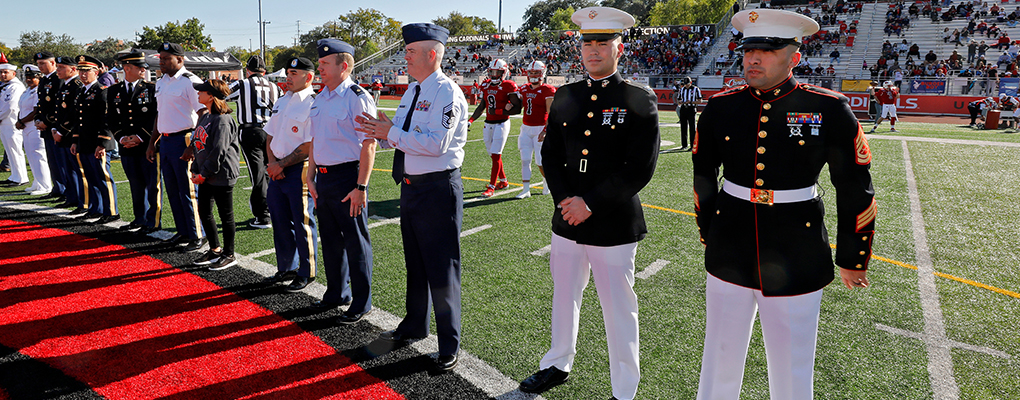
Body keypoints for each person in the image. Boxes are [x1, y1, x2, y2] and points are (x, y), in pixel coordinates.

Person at [693, 9, 876, 399]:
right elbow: (703, 174)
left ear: (794, 56)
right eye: (749, 50)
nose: (754, 59)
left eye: (768, 51)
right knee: (719, 357)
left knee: (792, 366)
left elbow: (855, 187)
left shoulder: (829, 108)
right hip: (730, 243)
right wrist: (709, 230)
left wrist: (852, 256)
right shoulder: (722, 106)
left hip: (798, 247)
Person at [519, 7, 659, 400]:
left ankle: (624, 389)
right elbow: (551, 155)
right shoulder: (566, 94)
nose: (593, 50)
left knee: (619, 311)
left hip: (613, 223)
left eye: (602, 42)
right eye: (587, 43)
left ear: (620, 47)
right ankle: (557, 363)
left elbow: (639, 169)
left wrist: (589, 203)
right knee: (564, 297)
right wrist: (566, 200)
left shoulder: (637, 98)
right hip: (566, 220)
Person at [355, 22, 469, 372]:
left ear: (432, 54)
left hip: (437, 188)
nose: (404, 57)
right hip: (412, 187)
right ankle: (415, 325)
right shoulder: (412, 91)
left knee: (442, 267)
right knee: (416, 263)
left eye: (410, 52)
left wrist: (393, 132)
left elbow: (436, 145)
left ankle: (449, 343)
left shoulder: (447, 93)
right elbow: (402, 138)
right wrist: (383, 131)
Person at [305, 42, 378, 322]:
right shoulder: (320, 97)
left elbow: (368, 144)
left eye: (325, 64)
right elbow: (316, 140)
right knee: (332, 242)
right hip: (322, 178)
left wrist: (360, 187)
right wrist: (310, 175)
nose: (319, 68)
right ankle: (336, 293)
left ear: (343, 66)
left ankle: (362, 302)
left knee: (356, 242)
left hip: (348, 177)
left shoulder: (356, 97)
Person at [262, 56, 319, 293]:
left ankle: (306, 271)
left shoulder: (313, 103)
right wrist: (273, 163)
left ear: (309, 77)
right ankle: (286, 267)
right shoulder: (283, 100)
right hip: (277, 169)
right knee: (280, 221)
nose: (288, 77)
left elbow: (309, 145)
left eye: (294, 74)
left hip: (299, 169)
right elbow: (270, 136)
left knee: (303, 222)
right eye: (288, 73)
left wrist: (281, 164)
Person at [147, 42, 206, 251]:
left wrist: (193, 146)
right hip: (166, 140)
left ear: (179, 60)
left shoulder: (190, 81)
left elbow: (203, 114)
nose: (161, 62)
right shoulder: (161, 82)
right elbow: (159, 114)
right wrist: (152, 142)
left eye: (165, 59)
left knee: (188, 191)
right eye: (160, 58)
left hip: (185, 140)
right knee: (172, 189)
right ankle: (183, 231)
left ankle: (198, 234)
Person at [188, 79, 241, 271]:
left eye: (201, 91)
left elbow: (219, 151)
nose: (198, 94)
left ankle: (229, 254)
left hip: (221, 174)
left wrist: (203, 173)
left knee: (225, 215)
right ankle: (215, 249)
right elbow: (198, 146)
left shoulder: (223, 120)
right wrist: (196, 169)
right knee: (204, 211)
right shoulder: (204, 117)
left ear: (211, 95)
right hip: (206, 174)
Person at [108, 50, 161, 233]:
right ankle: (139, 218)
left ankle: (153, 221)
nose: (143, 71)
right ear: (127, 68)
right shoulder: (114, 91)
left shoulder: (151, 89)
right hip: (126, 146)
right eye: (139, 68)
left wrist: (140, 137)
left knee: (152, 185)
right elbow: (112, 119)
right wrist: (121, 137)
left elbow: (156, 116)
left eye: (144, 68)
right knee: (135, 184)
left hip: (146, 145)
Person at [227, 55, 280, 229]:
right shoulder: (274, 86)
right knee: (269, 170)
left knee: (257, 173)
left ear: (248, 71)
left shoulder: (243, 84)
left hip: (251, 131)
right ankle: (273, 209)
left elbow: (224, 93)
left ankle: (263, 215)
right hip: (271, 131)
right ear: (264, 71)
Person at [71, 55, 119, 223]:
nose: (83, 74)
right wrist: (75, 140)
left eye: (87, 71)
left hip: (97, 142)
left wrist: (102, 143)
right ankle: (96, 208)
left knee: (103, 177)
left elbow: (107, 120)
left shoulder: (102, 91)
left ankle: (111, 211)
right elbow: (78, 119)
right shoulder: (80, 91)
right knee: (90, 176)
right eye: (81, 71)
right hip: (84, 141)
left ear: (97, 71)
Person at [468, 58, 521, 198]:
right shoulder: (485, 85)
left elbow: (517, 109)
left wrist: (500, 111)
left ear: (503, 73)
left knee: (496, 154)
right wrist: (471, 120)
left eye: (497, 72)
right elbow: (482, 106)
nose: (494, 74)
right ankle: (503, 181)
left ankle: (491, 186)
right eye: (492, 71)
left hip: (502, 123)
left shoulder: (509, 85)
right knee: (493, 155)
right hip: (488, 123)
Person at [51, 56, 87, 216]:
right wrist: (54, 128)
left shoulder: (77, 86)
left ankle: (82, 200)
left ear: (73, 69)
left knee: (77, 169)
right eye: (57, 66)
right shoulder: (65, 85)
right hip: (62, 134)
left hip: (71, 134)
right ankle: (72, 197)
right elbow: (59, 111)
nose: (57, 70)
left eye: (61, 67)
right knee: (67, 168)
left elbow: (74, 114)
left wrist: (60, 131)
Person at [515, 60, 556, 199]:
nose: (533, 75)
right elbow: (518, 106)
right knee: (525, 159)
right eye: (531, 73)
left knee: (540, 162)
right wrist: (509, 105)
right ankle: (525, 189)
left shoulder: (548, 89)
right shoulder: (524, 88)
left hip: (540, 128)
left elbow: (551, 112)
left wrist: (545, 130)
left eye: (536, 73)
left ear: (542, 73)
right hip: (525, 128)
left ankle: (547, 182)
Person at [33, 52, 67, 202]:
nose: (40, 66)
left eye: (43, 63)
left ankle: (66, 190)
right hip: (46, 128)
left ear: (53, 63)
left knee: (61, 161)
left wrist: (46, 121)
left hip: (56, 127)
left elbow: (57, 106)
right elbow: (41, 104)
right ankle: (58, 188)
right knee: (52, 160)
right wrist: (38, 119)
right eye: (38, 64)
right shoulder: (43, 80)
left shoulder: (58, 79)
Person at [16, 64, 52, 195]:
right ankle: (37, 182)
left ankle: (45, 185)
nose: (29, 79)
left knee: (38, 155)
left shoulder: (39, 91)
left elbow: (35, 111)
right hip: (26, 127)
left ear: (39, 77)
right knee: (31, 156)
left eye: (32, 77)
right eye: (27, 77)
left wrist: (21, 121)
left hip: (34, 126)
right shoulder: (27, 91)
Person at [0, 63, 28, 187]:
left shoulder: (15, 87)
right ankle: (15, 176)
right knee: (9, 150)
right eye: (1, 72)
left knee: (15, 150)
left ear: (13, 73)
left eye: (5, 72)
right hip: (4, 122)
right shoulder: (7, 86)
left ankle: (21, 177)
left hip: (11, 122)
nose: (2, 75)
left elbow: (10, 107)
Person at [675, 76, 702, 151]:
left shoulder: (696, 89)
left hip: (691, 109)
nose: (686, 86)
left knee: (692, 127)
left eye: (687, 84)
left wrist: (691, 102)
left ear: (691, 82)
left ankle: (692, 145)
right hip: (683, 108)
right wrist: (680, 102)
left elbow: (700, 101)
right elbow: (679, 99)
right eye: (685, 84)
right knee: (683, 127)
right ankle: (684, 145)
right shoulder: (682, 89)